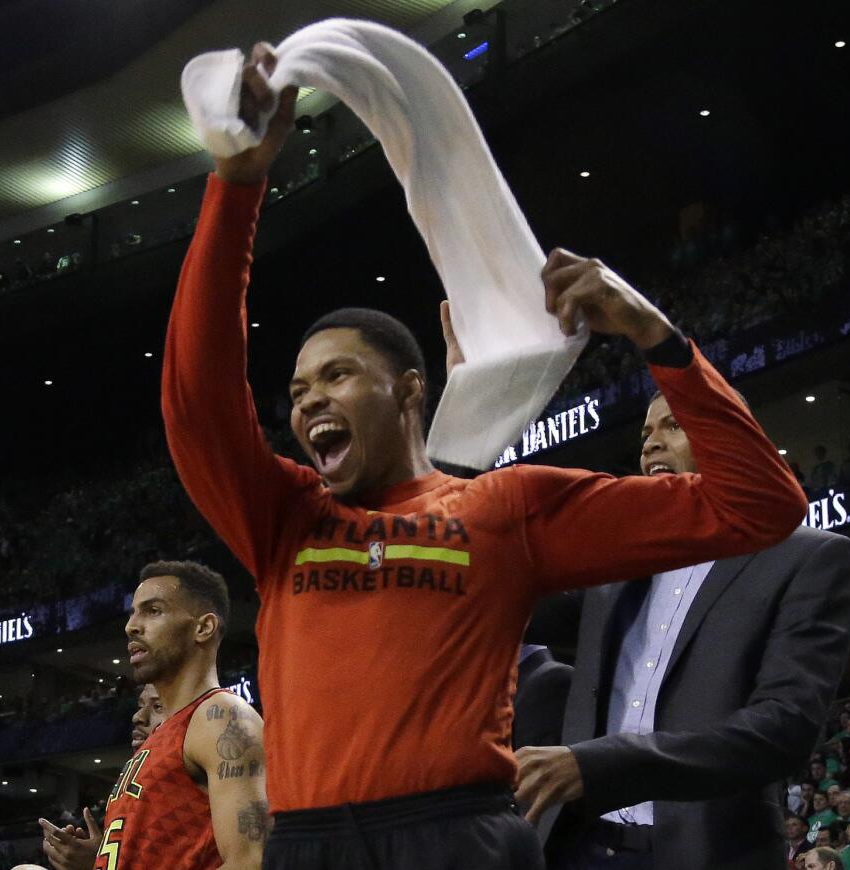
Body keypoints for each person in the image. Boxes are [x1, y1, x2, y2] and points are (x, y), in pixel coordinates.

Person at [161, 42, 806, 870]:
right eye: (296, 391)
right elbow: (196, 403)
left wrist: (657, 336)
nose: (309, 400)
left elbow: (760, 505)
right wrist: (236, 186)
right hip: (309, 847)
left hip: (458, 839)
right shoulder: (283, 516)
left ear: (408, 389)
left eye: (338, 375)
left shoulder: (507, 509)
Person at [516, 388, 850, 869]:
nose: (650, 445)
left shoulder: (810, 557)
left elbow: (782, 728)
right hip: (579, 844)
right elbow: (505, 593)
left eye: (673, 426)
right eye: (646, 434)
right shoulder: (621, 556)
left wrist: (602, 763)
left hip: (706, 851)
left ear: (730, 437)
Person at [45, 563, 267, 870]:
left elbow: (252, 862)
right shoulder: (162, 734)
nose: (131, 626)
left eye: (153, 611)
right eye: (134, 613)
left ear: (203, 628)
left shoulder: (222, 717)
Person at [39, 683, 167, 869]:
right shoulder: (135, 774)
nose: (138, 717)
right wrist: (102, 855)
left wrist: (98, 862)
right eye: (140, 705)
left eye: (158, 707)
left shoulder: (189, 775)